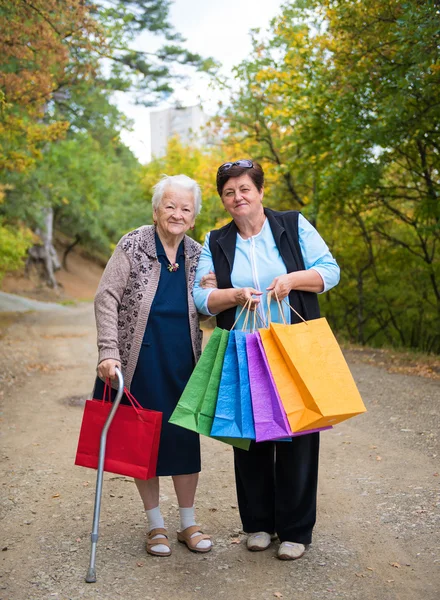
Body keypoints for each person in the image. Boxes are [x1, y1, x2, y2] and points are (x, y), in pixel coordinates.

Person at [194, 159, 340, 560]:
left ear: (259, 191)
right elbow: (201, 299)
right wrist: (236, 294)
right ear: (223, 200)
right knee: (252, 435)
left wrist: (291, 281)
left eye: (244, 189)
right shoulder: (215, 241)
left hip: (296, 343)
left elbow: (330, 271)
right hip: (244, 347)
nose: (237, 197)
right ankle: (258, 524)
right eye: (228, 192)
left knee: (299, 434)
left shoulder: (292, 225)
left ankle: (295, 530)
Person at [93, 174, 212, 557]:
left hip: (182, 362)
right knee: (143, 444)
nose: (177, 213)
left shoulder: (198, 254)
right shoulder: (134, 243)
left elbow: (206, 315)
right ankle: (156, 525)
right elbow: (106, 297)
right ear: (156, 209)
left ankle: (188, 524)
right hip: (137, 360)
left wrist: (220, 295)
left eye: (185, 208)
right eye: (170, 205)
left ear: (193, 218)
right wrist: (108, 351)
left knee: (183, 441)